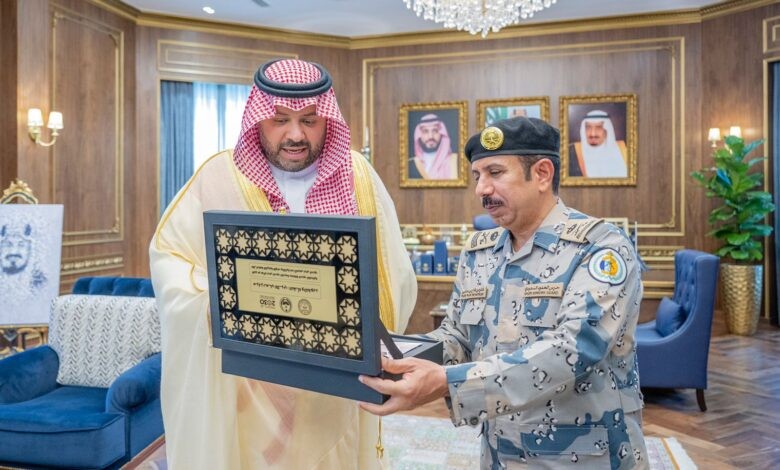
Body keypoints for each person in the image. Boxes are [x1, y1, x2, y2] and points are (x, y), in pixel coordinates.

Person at [150, 58, 417, 469]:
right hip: (250, 387)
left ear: (327, 120)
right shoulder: (218, 175)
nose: (295, 134)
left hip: (335, 381)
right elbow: (171, 258)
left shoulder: (358, 176)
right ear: (258, 119)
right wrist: (216, 306)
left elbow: (393, 272)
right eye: (280, 120)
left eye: (309, 120)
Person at [360, 116, 648, 469]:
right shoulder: (479, 251)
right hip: (501, 454)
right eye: (477, 176)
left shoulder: (600, 248)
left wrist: (448, 383)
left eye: (495, 173)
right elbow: (457, 336)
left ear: (542, 174)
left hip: (585, 458)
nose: (481, 189)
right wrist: (393, 356)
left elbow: (572, 351)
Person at [569, 109, 629, 178]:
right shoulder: (571, 152)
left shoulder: (624, 150)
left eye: (598, 127)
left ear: (607, 130)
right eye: (588, 127)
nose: (593, 134)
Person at [408, 113, 458, 179]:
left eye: (435, 131)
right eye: (425, 131)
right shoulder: (410, 164)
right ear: (419, 135)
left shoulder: (456, 161)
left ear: (442, 134)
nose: (430, 136)